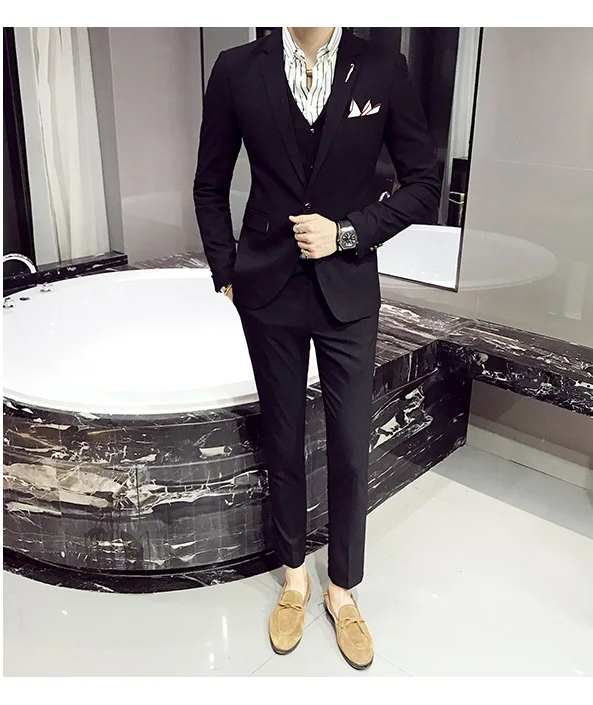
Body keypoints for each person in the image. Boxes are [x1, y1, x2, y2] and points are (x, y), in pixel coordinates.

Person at [194, 26, 440, 670]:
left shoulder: (382, 67)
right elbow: (209, 182)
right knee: (282, 437)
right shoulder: (236, 68)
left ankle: (343, 589)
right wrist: (226, 270)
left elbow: (422, 182)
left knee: (351, 444)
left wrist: (349, 232)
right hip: (267, 289)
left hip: (347, 288)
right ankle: (295, 578)